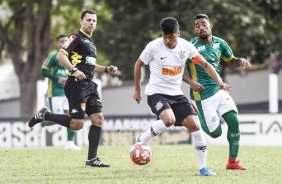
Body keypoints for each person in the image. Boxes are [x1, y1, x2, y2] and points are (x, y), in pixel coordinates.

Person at [133, 17, 230, 176]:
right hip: (156, 93)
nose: (167, 40)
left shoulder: (187, 47)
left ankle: (203, 168)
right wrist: (137, 89)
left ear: (178, 33)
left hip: (176, 94)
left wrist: (219, 81)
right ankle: (142, 139)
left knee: (195, 126)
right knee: (169, 120)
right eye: (164, 36)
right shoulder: (153, 47)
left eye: (171, 37)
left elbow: (205, 64)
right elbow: (139, 64)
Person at [28, 10, 118, 168]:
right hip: (76, 84)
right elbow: (60, 56)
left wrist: (105, 69)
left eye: (94, 21)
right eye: (88, 20)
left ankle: (92, 159)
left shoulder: (90, 42)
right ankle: (44, 115)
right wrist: (74, 70)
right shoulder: (75, 37)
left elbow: (89, 65)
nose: (91, 23)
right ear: (81, 21)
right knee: (77, 124)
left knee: (98, 119)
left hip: (90, 85)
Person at [183, 14, 251, 170]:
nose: (200, 28)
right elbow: (178, 69)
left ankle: (232, 162)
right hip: (202, 96)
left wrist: (239, 61)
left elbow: (231, 60)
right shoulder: (191, 47)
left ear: (210, 25)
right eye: (197, 25)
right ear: (195, 29)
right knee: (216, 134)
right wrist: (191, 82)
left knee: (234, 122)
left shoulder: (220, 43)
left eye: (203, 24)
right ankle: (195, 110)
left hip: (220, 90)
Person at [39, 34, 81, 151]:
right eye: (61, 41)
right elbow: (43, 71)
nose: (64, 43)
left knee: (72, 117)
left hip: (67, 93)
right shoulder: (54, 56)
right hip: (55, 92)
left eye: (66, 41)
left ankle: (69, 143)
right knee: (59, 119)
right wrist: (57, 79)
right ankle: (42, 122)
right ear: (57, 44)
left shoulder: (72, 56)